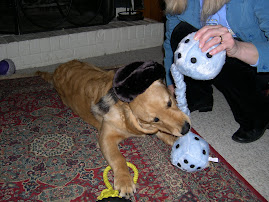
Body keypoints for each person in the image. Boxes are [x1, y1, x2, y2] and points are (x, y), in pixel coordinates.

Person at [163, 0, 269, 143]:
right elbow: (171, 35)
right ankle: (199, 96)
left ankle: (257, 116)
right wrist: (172, 82)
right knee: (181, 32)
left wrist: (238, 48)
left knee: (221, 49)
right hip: (220, 53)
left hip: (257, 64)